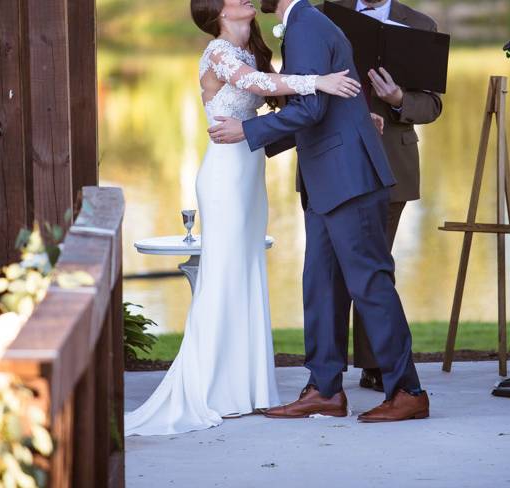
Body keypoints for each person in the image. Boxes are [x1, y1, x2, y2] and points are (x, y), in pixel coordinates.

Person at [124, 0, 363, 436]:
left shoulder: (252, 50)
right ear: (218, 12)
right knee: (224, 272)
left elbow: (276, 99)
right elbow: (258, 84)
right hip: (223, 174)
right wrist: (321, 81)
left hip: (250, 172)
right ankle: (212, 389)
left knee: (248, 270)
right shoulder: (219, 51)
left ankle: (248, 388)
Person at [208, 0, 429, 422]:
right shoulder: (305, 23)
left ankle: (407, 391)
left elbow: (309, 108)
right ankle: (324, 389)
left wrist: (248, 130)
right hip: (328, 180)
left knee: (370, 284)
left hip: (348, 178)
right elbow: (319, 104)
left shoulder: (306, 26)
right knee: (320, 286)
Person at [323, 0, 443, 392]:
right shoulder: (328, 16)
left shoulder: (420, 24)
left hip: (391, 164)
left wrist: (397, 100)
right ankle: (326, 369)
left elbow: (432, 104)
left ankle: (376, 364)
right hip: (333, 159)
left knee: (374, 265)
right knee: (330, 269)